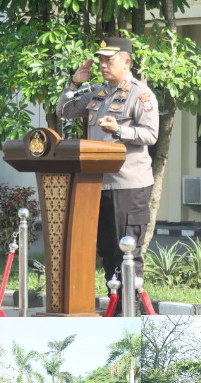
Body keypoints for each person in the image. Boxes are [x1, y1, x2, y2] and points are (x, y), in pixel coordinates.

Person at [57, 37, 159, 296]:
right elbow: (64, 111)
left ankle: (128, 309)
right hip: (97, 183)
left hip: (128, 184)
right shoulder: (97, 92)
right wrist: (74, 83)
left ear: (126, 61)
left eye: (109, 60)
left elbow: (150, 134)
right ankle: (115, 303)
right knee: (106, 249)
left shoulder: (140, 94)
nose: (103, 65)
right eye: (101, 59)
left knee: (126, 249)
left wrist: (120, 130)